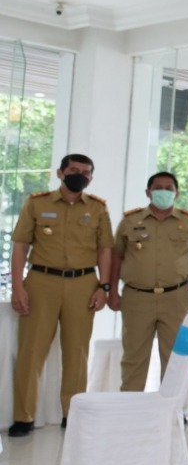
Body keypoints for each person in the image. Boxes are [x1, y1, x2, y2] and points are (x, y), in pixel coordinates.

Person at [7, 154, 112, 437]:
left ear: (91, 177)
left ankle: (72, 414)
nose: (80, 175)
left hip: (83, 283)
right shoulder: (37, 203)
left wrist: (104, 287)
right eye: (74, 170)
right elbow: (20, 247)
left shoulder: (98, 209)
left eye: (86, 172)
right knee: (31, 352)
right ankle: (24, 416)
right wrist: (18, 287)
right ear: (60, 172)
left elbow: (105, 250)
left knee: (77, 353)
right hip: (41, 281)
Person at [108, 171, 188, 392]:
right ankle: (130, 405)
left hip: (177, 298)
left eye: (168, 188)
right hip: (137, 297)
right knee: (134, 356)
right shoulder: (130, 221)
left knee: (175, 356)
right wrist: (112, 290)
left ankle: (172, 409)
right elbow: (116, 256)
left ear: (176, 193)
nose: (163, 191)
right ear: (148, 192)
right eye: (158, 187)